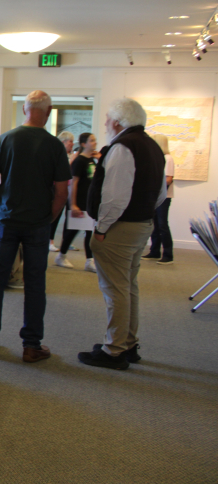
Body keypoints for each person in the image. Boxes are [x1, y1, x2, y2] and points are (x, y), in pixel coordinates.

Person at [0, 90, 71, 363]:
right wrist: (49, 219)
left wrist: (0, 210)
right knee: (34, 283)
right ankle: (31, 345)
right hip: (37, 224)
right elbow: (62, 192)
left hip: (7, 221)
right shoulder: (54, 145)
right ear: (49, 111)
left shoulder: (5, 139)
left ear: (24, 110)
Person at [79, 99, 166, 370]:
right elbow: (161, 194)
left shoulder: (122, 147)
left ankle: (113, 350)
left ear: (117, 121)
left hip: (119, 228)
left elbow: (115, 197)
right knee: (129, 286)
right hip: (142, 225)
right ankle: (127, 343)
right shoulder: (153, 146)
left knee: (115, 289)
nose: (105, 123)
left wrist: (102, 229)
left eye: (107, 118)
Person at [54, 133, 99, 273]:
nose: (95, 142)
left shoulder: (91, 160)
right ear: (84, 144)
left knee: (89, 231)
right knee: (72, 231)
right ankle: (61, 256)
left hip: (88, 201)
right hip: (78, 201)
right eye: (91, 140)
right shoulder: (79, 161)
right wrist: (73, 204)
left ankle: (89, 261)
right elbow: (74, 183)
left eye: (94, 140)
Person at [143, 133, 174, 265]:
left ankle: (168, 254)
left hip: (164, 197)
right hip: (155, 197)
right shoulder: (157, 158)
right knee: (154, 225)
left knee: (162, 224)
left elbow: (168, 179)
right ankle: (154, 251)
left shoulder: (168, 158)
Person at [50, 131, 77, 252]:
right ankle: (50, 240)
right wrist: (73, 160)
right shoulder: (58, 155)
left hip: (69, 189)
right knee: (56, 214)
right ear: (63, 142)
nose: (72, 144)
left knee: (69, 216)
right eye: (70, 141)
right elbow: (62, 170)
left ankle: (65, 242)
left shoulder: (72, 155)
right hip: (58, 188)